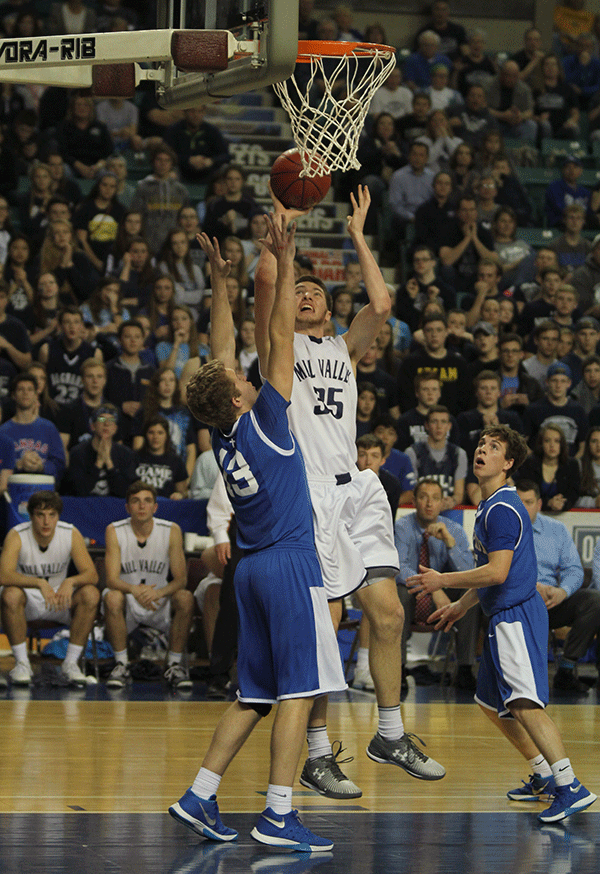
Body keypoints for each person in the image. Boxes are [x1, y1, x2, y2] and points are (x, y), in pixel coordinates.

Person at [254, 186, 446, 800]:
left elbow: (382, 302)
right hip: (306, 493)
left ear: (330, 309)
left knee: (388, 613)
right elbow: (266, 293)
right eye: (299, 292)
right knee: (325, 622)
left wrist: (359, 236)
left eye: (315, 291)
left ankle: (389, 732)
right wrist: (282, 246)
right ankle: (315, 750)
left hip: (357, 490)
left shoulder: (344, 348)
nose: (306, 295)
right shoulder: (276, 352)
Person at [170, 217, 347, 852]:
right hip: (291, 566)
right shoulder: (268, 418)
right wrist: (286, 253)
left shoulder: (222, 431)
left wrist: (220, 283)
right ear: (242, 398)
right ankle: (277, 814)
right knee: (300, 692)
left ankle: (199, 793)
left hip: (248, 571)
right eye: (241, 381)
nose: (244, 374)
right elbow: (277, 335)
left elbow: (220, 352)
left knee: (254, 695)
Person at [406, 425, 596, 823]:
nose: (483, 451)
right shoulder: (490, 505)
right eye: (480, 444)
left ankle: (570, 784)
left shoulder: (503, 509)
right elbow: (490, 575)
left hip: (516, 616)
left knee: (525, 704)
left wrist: (442, 581)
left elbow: (497, 572)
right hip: (501, 614)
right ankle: (544, 775)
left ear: (507, 463)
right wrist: (461, 605)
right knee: (491, 703)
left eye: (494, 448)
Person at [0, 489, 98, 686]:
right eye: (40, 515)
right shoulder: (17, 535)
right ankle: (22, 664)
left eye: (51, 515)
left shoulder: (70, 533)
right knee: (10, 594)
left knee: (90, 594)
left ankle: (70, 663)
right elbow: (4, 575)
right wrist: (39, 583)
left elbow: (92, 575)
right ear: (31, 516)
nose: (46, 522)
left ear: (58, 516)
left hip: (60, 600)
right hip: (27, 601)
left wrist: (69, 582)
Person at [103, 481, 194, 690]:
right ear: (127, 508)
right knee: (112, 596)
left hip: (159, 599)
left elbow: (181, 579)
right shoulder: (114, 530)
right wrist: (134, 589)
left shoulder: (171, 530)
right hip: (128, 598)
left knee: (185, 597)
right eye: (135, 502)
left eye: (147, 501)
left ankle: (173, 664)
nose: (141, 506)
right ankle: (121, 664)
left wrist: (158, 592)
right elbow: (111, 579)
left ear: (155, 507)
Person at [395, 478, 479, 691]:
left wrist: (449, 543)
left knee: (470, 596)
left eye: (435, 498)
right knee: (399, 592)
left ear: (443, 503)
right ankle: (399, 668)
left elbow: (467, 572)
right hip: (414, 595)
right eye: (423, 498)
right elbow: (399, 568)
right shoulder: (402, 526)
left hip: (442, 601)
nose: (429, 504)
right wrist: (433, 588)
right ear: (414, 501)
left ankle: (465, 669)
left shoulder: (453, 529)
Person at [516, 480, 600, 694]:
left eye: (529, 502)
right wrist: (533, 587)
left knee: (594, 600)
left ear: (539, 503)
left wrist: (562, 591)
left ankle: (567, 668)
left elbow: (574, 569)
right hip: (517, 601)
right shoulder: (503, 530)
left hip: (553, 601)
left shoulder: (556, 529)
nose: (524, 507)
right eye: (519, 502)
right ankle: (520, 677)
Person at [0, 372, 65, 483]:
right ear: (13, 395)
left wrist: (41, 466)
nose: (26, 393)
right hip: (12, 491)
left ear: (36, 395)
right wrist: (18, 465)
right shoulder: (3, 431)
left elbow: (60, 465)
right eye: (21, 389)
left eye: (30, 390)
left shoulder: (49, 428)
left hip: (43, 490)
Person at [66, 403, 136, 497]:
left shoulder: (126, 454)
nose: (106, 423)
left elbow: (125, 493)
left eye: (111, 420)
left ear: (115, 428)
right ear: (93, 426)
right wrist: (98, 463)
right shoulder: (78, 453)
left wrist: (109, 463)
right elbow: (78, 491)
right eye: (102, 419)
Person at [405, 405, 467, 508]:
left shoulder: (459, 454)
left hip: (448, 511)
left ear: (449, 426)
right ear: (427, 425)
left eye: (443, 422)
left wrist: (452, 501)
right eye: (434, 421)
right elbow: (411, 491)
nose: (439, 426)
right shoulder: (413, 452)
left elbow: (459, 494)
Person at [39, 305, 101, 406]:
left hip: (82, 411)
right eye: (67, 322)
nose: (72, 327)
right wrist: (46, 400)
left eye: (76, 322)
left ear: (81, 325)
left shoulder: (94, 353)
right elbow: (40, 380)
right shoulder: (46, 350)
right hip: (52, 409)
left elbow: (99, 388)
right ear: (60, 326)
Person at [522, 361, 587, 457]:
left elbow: (583, 445)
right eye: (554, 380)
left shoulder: (578, 411)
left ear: (569, 383)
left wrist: (573, 464)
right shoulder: (533, 410)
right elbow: (522, 442)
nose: (558, 385)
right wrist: (535, 462)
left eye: (563, 381)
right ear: (547, 382)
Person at [514, 423, 580, 512]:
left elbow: (573, 494)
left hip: (565, 515)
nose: (552, 445)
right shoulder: (529, 464)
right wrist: (548, 502)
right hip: (533, 514)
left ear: (562, 444)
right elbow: (525, 493)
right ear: (541, 443)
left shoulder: (572, 465)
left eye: (557, 441)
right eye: (547, 440)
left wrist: (562, 504)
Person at [165, 106, 230, 184]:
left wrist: (211, 161)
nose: (196, 115)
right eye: (192, 112)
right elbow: (166, 154)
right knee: (168, 169)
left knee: (225, 169)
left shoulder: (212, 131)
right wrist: (188, 160)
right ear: (185, 112)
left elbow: (225, 155)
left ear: (204, 113)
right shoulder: (174, 130)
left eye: (200, 112)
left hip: (208, 173)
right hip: (181, 172)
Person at [132, 416, 188, 499]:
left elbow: (183, 492)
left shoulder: (176, 461)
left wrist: (180, 495)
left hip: (166, 508)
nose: (155, 437)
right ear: (145, 435)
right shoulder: (134, 458)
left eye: (160, 433)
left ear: (167, 436)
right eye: (151, 432)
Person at [485, 60, 537, 143]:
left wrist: (520, 116)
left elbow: (530, 111)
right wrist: (502, 115)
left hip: (515, 124)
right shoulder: (488, 85)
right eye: (508, 75)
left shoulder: (524, 89)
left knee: (531, 125)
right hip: (494, 122)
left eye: (514, 76)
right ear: (501, 74)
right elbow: (482, 109)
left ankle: (524, 151)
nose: (511, 79)